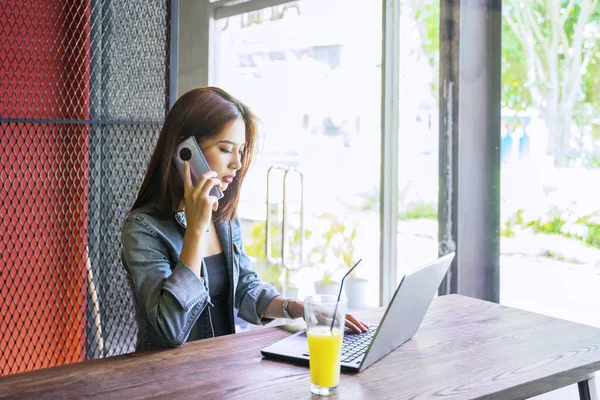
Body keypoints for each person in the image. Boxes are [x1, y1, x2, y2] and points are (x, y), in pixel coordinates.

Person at [121, 87, 368, 351]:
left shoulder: (223, 217)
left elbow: (245, 288)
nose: (237, 164)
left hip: (223, 370)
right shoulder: (142, 229)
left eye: (240, 151)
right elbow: (171, 328)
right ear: (185, 151)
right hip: (166, 381)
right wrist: (195, 230)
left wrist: (302, 308)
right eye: (226, 149)